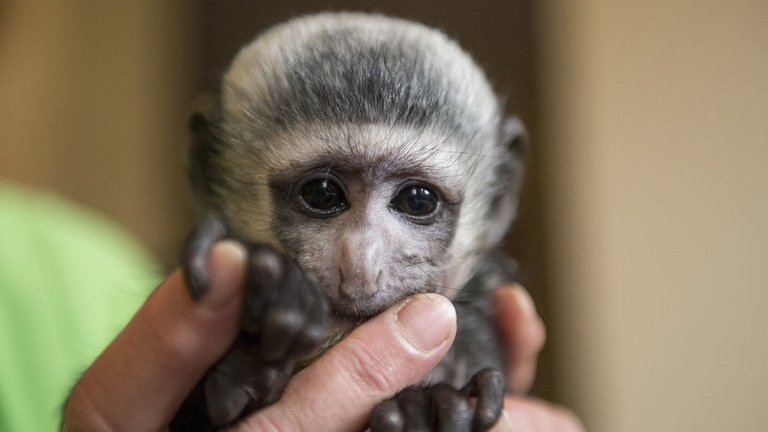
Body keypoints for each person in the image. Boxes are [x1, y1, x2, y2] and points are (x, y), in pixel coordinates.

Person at [62, 240, 585, 431]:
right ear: (210, 166)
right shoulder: (87, 276)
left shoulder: (93, 257)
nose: (362, 269)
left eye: (419, 200)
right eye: (320, 195)